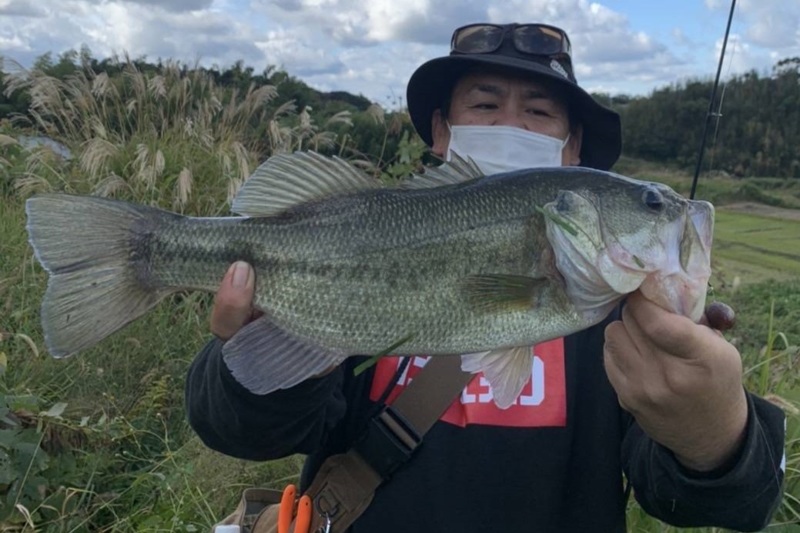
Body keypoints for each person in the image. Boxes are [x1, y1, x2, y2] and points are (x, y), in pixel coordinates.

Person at [186, 22, 786, 532]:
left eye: (540, 111)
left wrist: (715, 435)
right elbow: (237, 431)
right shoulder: (367, 228)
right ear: (443, 133)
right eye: (485, 104)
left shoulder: (628, 324)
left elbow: (725, 501)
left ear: (572, 149)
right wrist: (261, 350)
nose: (512, 124)